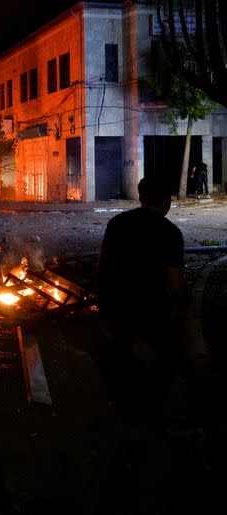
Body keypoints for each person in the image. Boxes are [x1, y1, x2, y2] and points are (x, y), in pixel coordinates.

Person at [96, 176, 188, 417]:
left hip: (118, 304)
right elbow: (176, 282)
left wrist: (103, 303)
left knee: (122, 357)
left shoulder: (118, 223)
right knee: (162, 361)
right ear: (166, 200)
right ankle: (150, 411)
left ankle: (124, 409)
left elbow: (102, 266)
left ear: (140, 196)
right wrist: (178, 314)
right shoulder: (171, 233)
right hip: (152, 309)